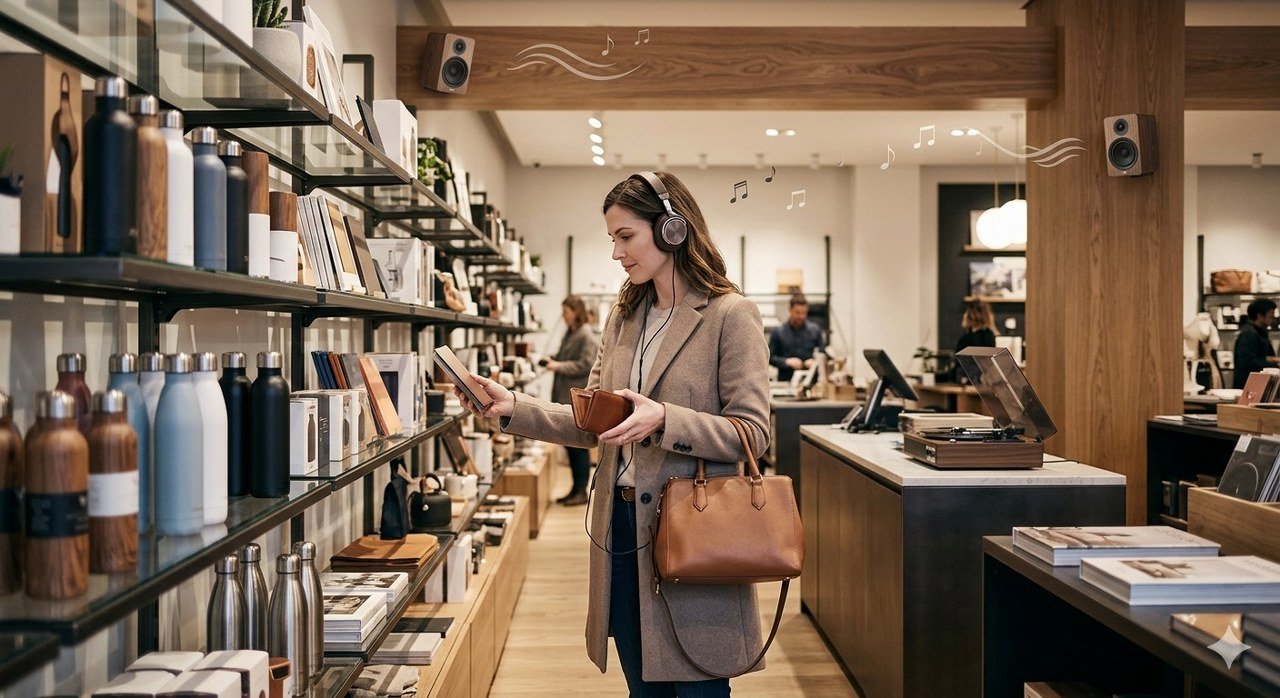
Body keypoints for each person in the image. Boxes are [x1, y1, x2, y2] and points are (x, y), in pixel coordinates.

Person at [453, 171, 770, 696]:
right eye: (612, 240)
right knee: (642, 686)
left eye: (626, 237)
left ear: (671, 229)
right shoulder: (623, 318)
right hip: (619, 527)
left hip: (693, 527)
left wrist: (665, 419)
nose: (617, 253)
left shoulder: (729, 316)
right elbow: (594, 423)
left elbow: (752, 434)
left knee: (698, 689)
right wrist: (514, 407)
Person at [543, 294, 599, 506]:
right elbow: (564, 357)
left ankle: (580, 491)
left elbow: (587, 364)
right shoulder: (571, 333)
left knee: (578, 447)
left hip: (574, 396)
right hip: (564, 394)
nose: (563, 316)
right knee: (570, 445)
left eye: (566, 311)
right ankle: (575, 489)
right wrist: (552, 360)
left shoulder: (585, 335)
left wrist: (559, 366)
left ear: (576, 311)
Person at [768, 296, 824, 382]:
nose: (801, 316)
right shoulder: (778, 332)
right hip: (786, 381)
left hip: (810, 380)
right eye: (797, 313)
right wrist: (786, 362)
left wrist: (815, 362)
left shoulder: (815, 330)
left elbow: (822, 354)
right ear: (790, 310)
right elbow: (770, 358)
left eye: (804, 313)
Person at [1233, 298, 1278, 388]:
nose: (1273, 319)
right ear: (1260, 316)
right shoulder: (1249, 334)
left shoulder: (1258, 332)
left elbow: (1259, 356)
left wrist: (1274, 360)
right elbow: (1248, 362)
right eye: (1271, 316)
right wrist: (1274, 365)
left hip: (1255, 384)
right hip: (1248, 386)